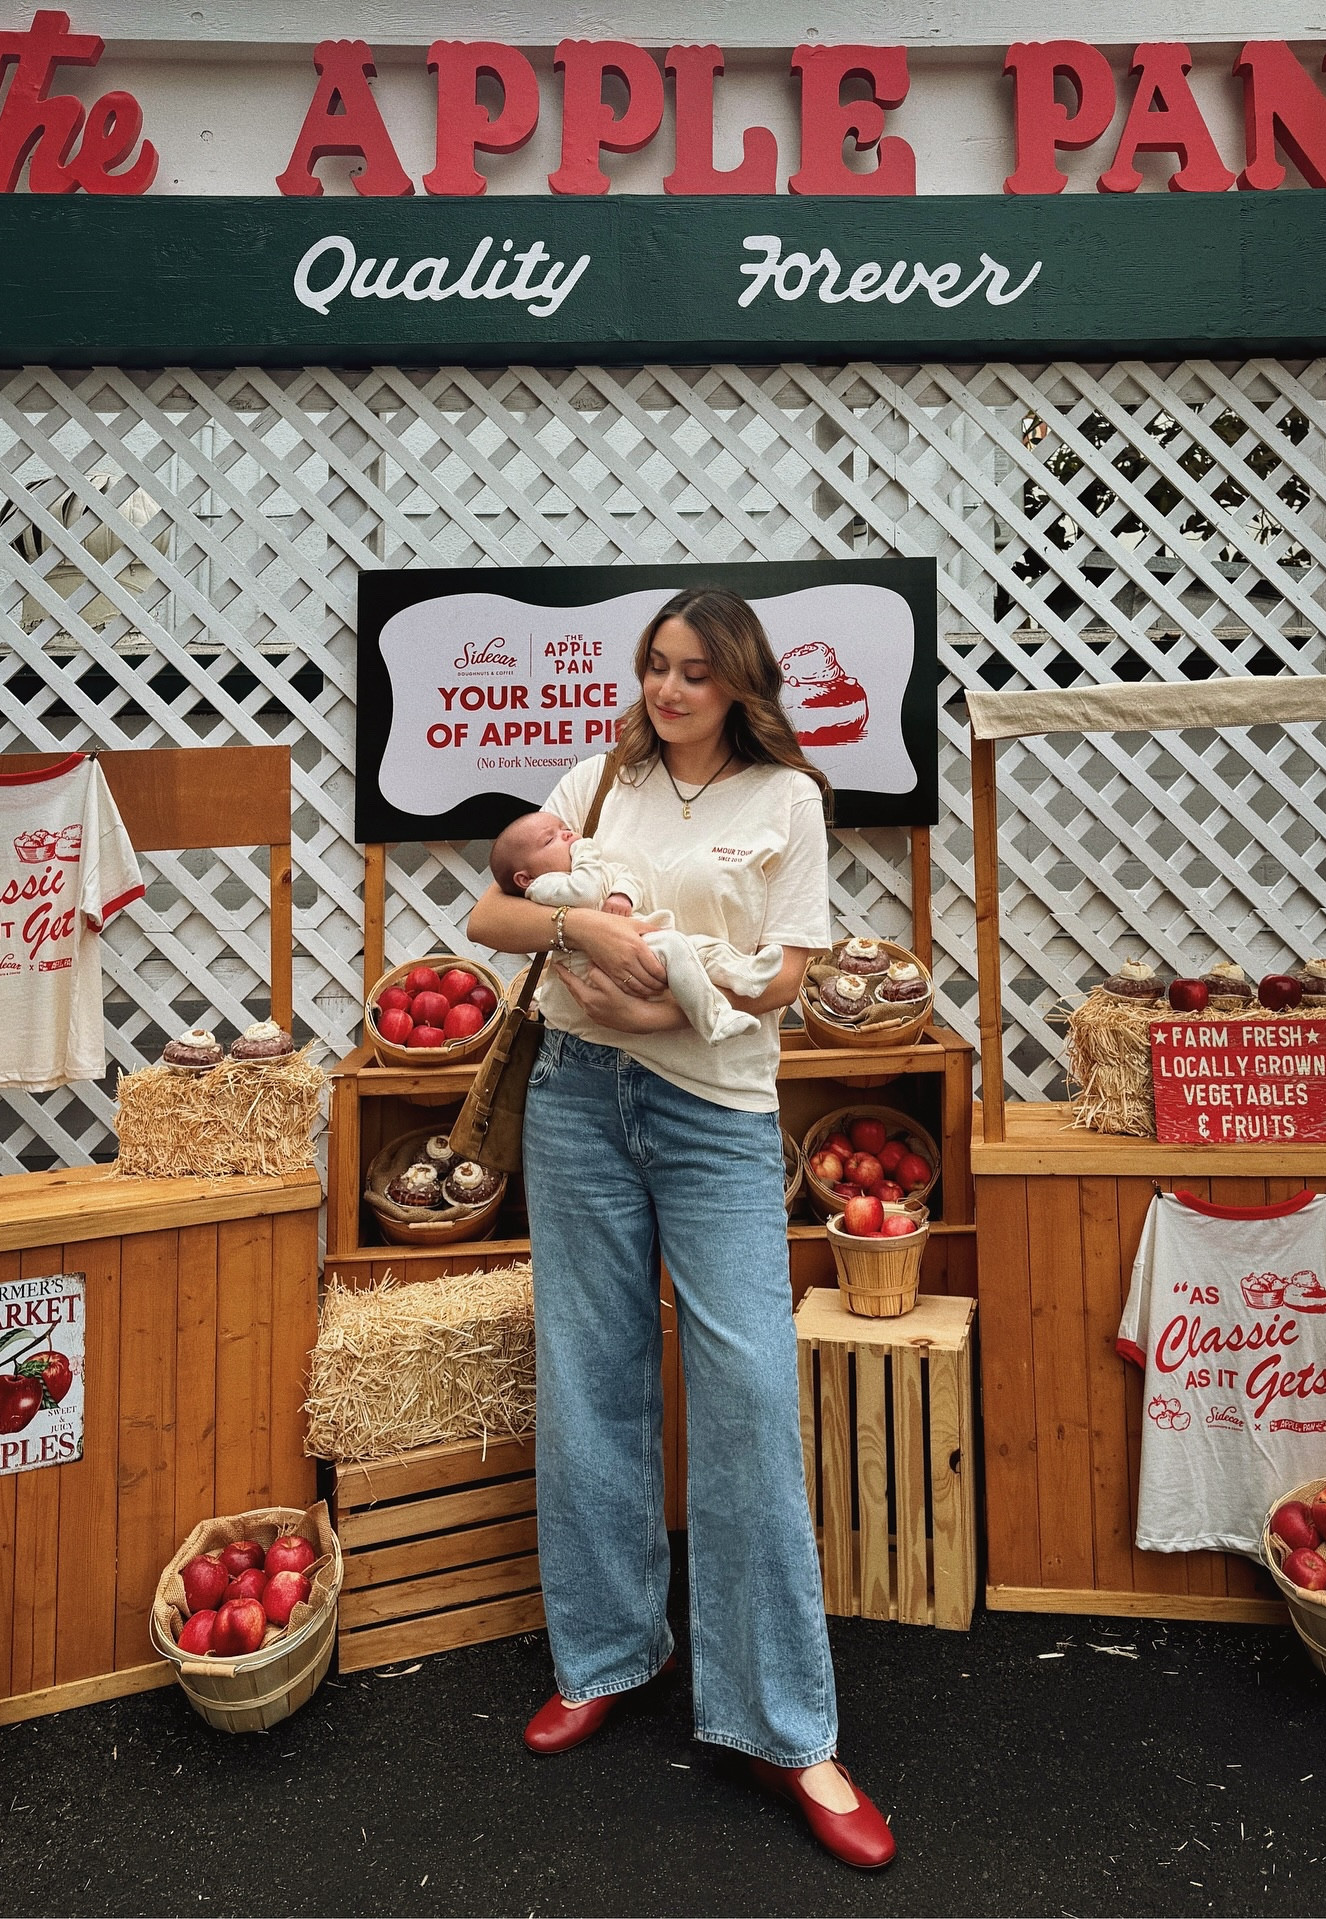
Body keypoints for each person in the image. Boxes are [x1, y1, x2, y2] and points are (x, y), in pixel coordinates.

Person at [467, 584, 895, 1870]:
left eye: (696, 671)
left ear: (741, 683)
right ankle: (605, 1651)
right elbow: (493, 916)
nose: (669, 689)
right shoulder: (596, 777)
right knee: (589, 1380)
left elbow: (791, 974)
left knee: (751, 1390)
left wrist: (673, 1013)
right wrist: (586, 923)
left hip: (713, 1115)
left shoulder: (789, 801)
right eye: (657, 665)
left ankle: (784, 1727)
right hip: (577, 1105)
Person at [487, 807, 783, 1044]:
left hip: (636, 944)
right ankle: (712, 1018)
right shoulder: (544, 886)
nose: (567, 836)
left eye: (565, 830)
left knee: (700, 947)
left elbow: (625, 876)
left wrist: (622, 894)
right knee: (676, 946)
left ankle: (743, 973)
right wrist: (586, 852)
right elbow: (586, 893)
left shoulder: (588, 870)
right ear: (524, 878)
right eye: (550, 840)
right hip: (595, 968)